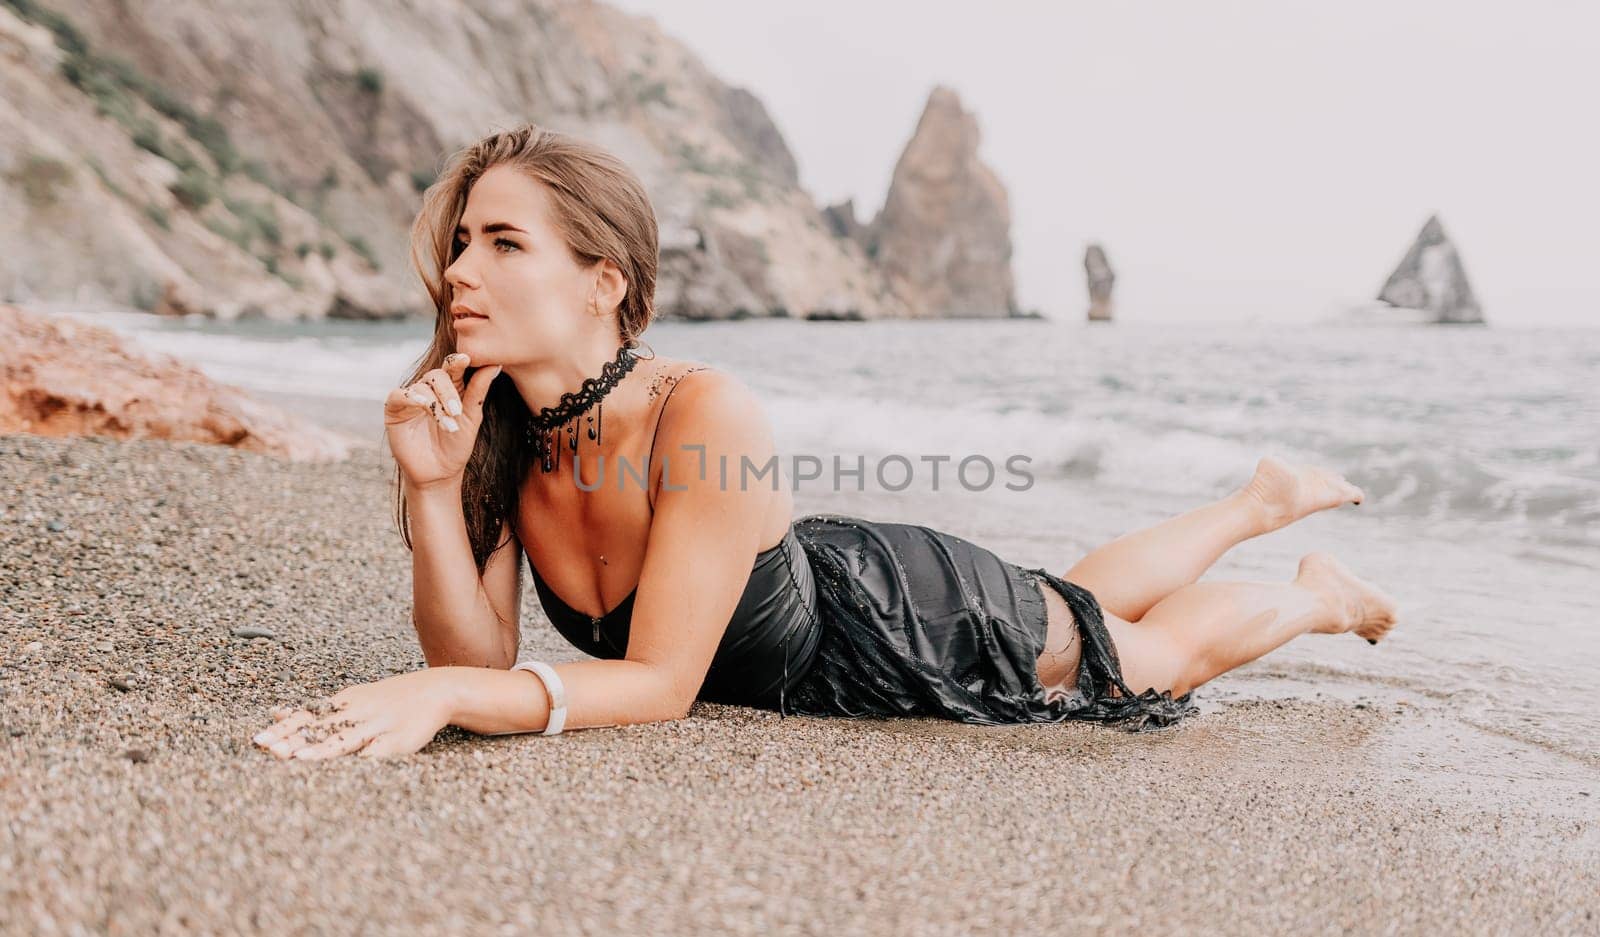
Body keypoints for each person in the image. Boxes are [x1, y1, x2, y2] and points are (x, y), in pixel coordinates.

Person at [252, 124, 1397, 760]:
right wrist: (437, 495)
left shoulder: (705, 411)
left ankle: (1311, 591)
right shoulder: (491, 430)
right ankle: (1255, 498)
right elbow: (482, 651)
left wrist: (440, 700)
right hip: (825, 597)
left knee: (1133, 654)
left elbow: (651, 686)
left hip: (906, 620)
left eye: (502, 242)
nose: (458, 270)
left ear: (603, 282)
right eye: (461, 242)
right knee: (1077, 598)